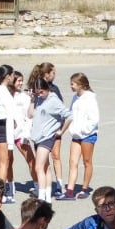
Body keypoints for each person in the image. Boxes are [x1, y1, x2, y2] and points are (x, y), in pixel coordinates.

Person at [29, 73, 69, 203]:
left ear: (46, 88)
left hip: (47, 137)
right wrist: (32, 100)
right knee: (45, 167)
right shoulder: (39, 99)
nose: (39, 94)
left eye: (41, 92)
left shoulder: (54, 100)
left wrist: (61, 131)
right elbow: (30, 115)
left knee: (38, 167)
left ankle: (41, 197)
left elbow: (69, 115)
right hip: (37, 136)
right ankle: (47, 196)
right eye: (37, 92)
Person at [62, 72, 99, 200]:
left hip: (88, 135)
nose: (71, 86)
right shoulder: (75, 97)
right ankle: (70, 190)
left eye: (73, 84)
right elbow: (71, 114)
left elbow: (94, 119)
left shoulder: (90, 98)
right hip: (76, 135)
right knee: (72, 162)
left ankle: (84, 188)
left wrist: (84, 130)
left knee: (87, 161)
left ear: (81, 85)